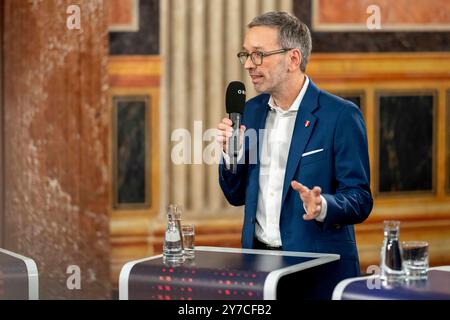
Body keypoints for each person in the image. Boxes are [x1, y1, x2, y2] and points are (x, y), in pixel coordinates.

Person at [216, 11, 373, 291]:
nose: (249, 65)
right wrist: (231, 155)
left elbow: (360, 199)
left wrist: (323, 205)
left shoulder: (340, 116)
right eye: (246, 55)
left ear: (293, 59)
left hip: (318, 271)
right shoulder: (250, 113)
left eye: (259, 55)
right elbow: (235, 195)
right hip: (259, 269)